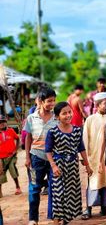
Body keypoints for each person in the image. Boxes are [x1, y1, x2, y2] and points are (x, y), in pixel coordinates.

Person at [45, 102, 92, 224]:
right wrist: (53, 166)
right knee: (58, 195)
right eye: (64, 113)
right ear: (57, 117)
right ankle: (56, 222)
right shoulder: (52, 132)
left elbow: (81, 148)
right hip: (58, 167)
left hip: (72, 167)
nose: (68, 115)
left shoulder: (77, 130)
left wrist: (87, 165)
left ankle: (65, 221)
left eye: (69, 112)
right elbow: (48, 151)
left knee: (70, 196)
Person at [25, 87, 58, 225]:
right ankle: (33, 219)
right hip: (36, 157)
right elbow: (28, 137)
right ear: (41, 101)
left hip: (54, 159)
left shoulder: (57, 117)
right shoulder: (31, 118)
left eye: (54, 101)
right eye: (49, 101)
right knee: (34, 188)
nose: (52, 104)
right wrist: (27, 157)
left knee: (55, 188)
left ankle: (56, 217)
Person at [82, 92, 106, 220]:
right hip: (93, 157)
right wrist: (83, 158)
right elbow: (84, 139)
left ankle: (105, 207)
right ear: (98, 105)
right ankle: (88, 208)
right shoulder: (90, 119)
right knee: (93, 182)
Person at [0, 114, 21, 198]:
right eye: (0, 122)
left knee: (12, 168)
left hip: (11, 156)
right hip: (1, 158)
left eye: (3, 122)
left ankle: (18, 187)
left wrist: (15, 150)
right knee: (1, 173)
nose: (2, 124)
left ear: (6, 122)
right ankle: (0, 192)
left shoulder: (11, 131)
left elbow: (17, 139)